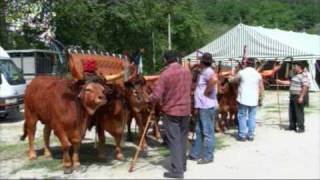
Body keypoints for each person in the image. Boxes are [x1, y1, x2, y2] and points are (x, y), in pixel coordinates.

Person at [148, 50, 192, 179]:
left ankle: (177, 171)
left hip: (171, 111)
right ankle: (182, 165)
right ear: (177, 59)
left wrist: (148, 99)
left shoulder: (165, 74)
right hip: (185, 110)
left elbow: (156, 95)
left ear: (166, 60)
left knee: (174, 141)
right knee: (183, 139)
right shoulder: (187, 72)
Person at [188, 52, 218, 164]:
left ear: (202, 62)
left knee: (207, 132)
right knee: (199, 130)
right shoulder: (204, 72)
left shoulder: (209, 72)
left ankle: (209, 156)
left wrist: (206, 92)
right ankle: (195, 154)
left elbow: (214, 80)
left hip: (206, 106)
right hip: (202, 106)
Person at [231, 58, 264, 141]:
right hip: (254, 100)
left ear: (246, 64)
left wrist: (230, 77)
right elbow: (261, 88)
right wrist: (261, 98)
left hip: (243, 99)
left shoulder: (242, 72)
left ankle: (242, 135)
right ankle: (251, 135)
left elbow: (234, 80)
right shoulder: (258, 74)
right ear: (254, 65)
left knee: (242, 116)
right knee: (252, 117)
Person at [276, 61, 309, 133]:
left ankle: (301, 127)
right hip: (292, 96)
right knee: (292, 111)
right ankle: (292, 126)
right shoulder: (295, 75)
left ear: (299, 67)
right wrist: (280, 81)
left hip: (298, 96)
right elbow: (290, 82)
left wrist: (301, 97)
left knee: (299, 112)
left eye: (295, 66)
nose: (294, 67)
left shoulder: (303, 75)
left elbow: (305, 86)